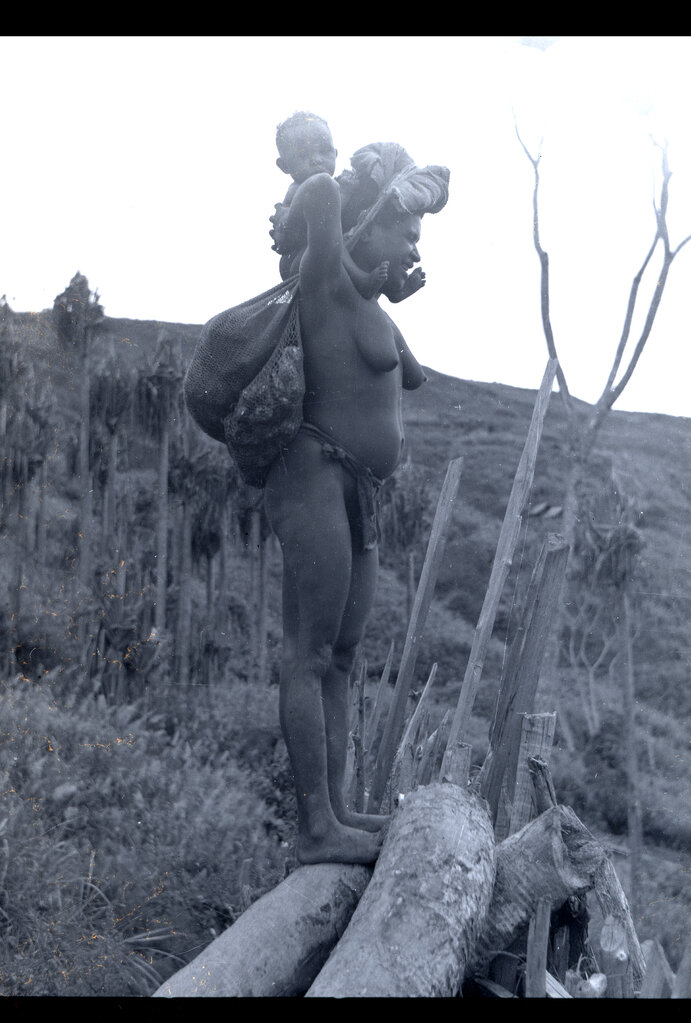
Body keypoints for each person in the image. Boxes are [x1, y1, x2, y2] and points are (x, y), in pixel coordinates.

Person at [262, 142, 449, 865]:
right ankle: (315, 828)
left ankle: (336, 811)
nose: (414, 244)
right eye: (405, 229)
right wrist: (340, 199)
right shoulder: (321, 280)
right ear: (365, 220)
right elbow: (314, 196)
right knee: (308, 654)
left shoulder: (365, 299)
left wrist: (388, 286)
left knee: (341, 655)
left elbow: (415, 377)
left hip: (356, 490)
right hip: (311, 473)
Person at [269, 112, 391, 300]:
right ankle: (361, 280)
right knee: (334, 241)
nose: (316, 159)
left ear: (335, 153)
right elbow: (323, 214)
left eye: (324, 151)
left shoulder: (331, 186)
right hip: (298, 259)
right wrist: (346, 192)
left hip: (324, 252)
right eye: (303, 154)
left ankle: (395, 290)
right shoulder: (299, 190)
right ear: (284, 166)